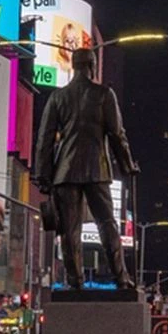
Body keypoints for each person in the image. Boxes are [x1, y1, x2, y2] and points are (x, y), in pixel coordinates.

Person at [35, 48, 138, 290]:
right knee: (107, 223)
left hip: (65, 172)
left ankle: (75, 282)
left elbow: (44, 139)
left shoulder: (58, 97)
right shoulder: (103, 94)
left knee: (69, 230)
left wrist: (43, 174)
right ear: (92, 66)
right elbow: (117, 134)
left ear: (73, 66)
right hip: (96, 169)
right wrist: (127, 165)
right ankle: (121, 278)